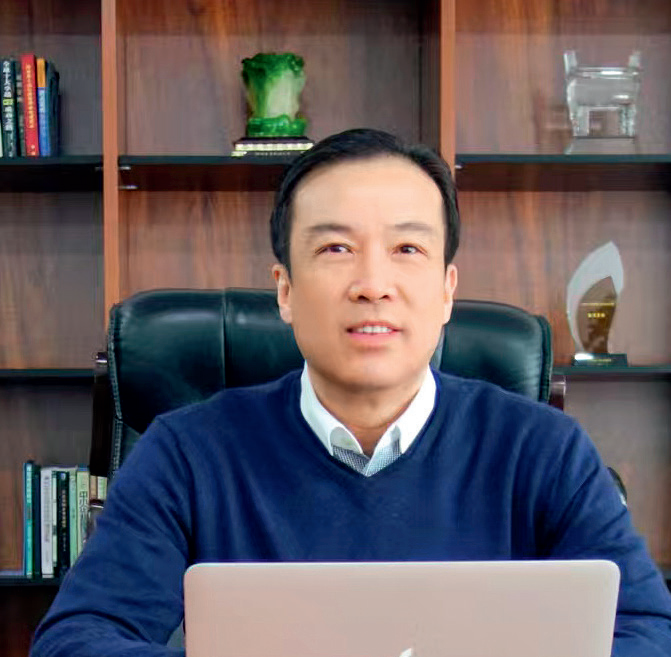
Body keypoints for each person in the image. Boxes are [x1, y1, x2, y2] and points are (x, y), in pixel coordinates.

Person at [31, 129, 671, 656]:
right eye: (336, 247)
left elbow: (647, 631)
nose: (373, 284)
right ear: (285, 290)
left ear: (447, 290)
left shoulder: (545, 450)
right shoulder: (186, 452)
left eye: (407, 248)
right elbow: (76, 640)